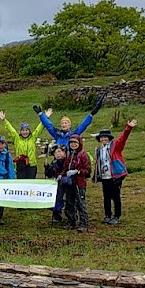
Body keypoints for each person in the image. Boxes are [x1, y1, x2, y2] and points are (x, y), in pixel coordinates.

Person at [36, 93, 105, 221]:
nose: (64, 124)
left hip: (71, 166)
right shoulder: (57, 135)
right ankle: (57, 214)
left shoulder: (74, 135)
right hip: (58, 166)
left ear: (69, 125)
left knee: (70, 193)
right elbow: (48, 125)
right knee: (57, 192)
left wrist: (92, 114)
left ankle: (72, 215)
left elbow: (83, 125)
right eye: (62, 123)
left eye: (66, 122)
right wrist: (41, 114)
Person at [93, 120, 137, 224]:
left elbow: (123, 138)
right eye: (101, 137)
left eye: (105, 137)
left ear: (109, 138)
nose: (103, 139)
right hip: (104, 176)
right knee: (106, 197)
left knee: (116, 196)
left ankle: (117, 216)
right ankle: (107, 215)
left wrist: (128, 128)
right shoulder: (99, 149)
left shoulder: (115, 146)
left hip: (115, 175)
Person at [0, 110, 46, 179]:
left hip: (32, 165)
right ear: (20, 131)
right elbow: (11, 130)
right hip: (21, 165)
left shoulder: (33, 137)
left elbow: (39, 128)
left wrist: (45, 118)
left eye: (26, 130)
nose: (25, 132)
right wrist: (4, 120)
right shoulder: (17, 138)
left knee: (31, 184)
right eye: (23, 130)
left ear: (29, 131)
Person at [59, 132, 92, 232]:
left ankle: (84, 223)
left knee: (80, 203)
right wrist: (62, 174)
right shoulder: (69, 154)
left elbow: (88, 170)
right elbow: (65, 167)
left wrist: (77, 172)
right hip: (70, 183)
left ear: (79, 143)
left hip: (79, 183)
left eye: (75, 143)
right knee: (69, 202)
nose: (73, 144)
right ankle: (71, 221)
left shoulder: (83, 155)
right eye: (71, 143)